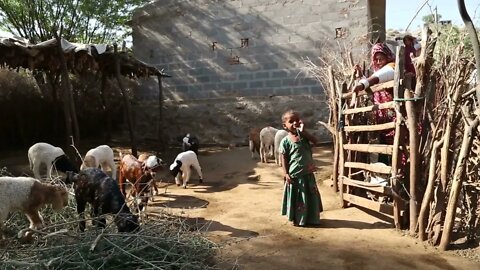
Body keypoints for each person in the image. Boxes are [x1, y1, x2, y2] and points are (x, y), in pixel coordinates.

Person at [279, 110, 323, 227]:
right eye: (291, 121)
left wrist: (304, 132)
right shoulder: (285, 141)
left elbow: (315, 141)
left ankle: (312, 218)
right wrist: (286, 173)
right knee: (299, 198)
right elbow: (284, 158)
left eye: (297, 120)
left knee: (310, 196)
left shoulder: (304, 137)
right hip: (295, 175)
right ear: (285, 126)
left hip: (308, 174)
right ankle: (298, 219)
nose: (295, 123)